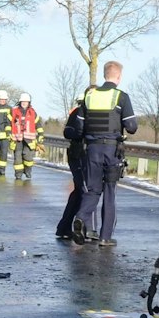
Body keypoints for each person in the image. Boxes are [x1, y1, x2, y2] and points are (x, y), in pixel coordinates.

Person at [73, 62, 137, 245]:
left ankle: (80, 218)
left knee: (92, 189)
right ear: (119, 76)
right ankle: (105, 237)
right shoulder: (121, 97)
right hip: (111, 150)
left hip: (92, 149)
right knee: (109, 191)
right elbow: (131, 127)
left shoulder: (89, 96)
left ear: (104, 74)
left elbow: (78, 127)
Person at [55, 95, 87, 240]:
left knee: (81, 192)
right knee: (82, 191)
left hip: (88, 156)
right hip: (77, 154)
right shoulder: (77, 112)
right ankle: (69, 226)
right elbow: (68, 132)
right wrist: (81, 133)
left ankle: (65, 227)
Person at [11, 92, 39, 180]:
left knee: (28, 156)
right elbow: (9, 123)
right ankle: (18, 174)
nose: (24, 103)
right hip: (17, 138)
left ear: (29, 103)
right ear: (20, 102)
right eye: (23, 101)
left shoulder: (33, 112)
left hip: (29, 139)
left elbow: (38, 124)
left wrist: (41, 135)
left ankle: (28, 170)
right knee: (17, 157)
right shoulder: (14, 111)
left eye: (26, 102)